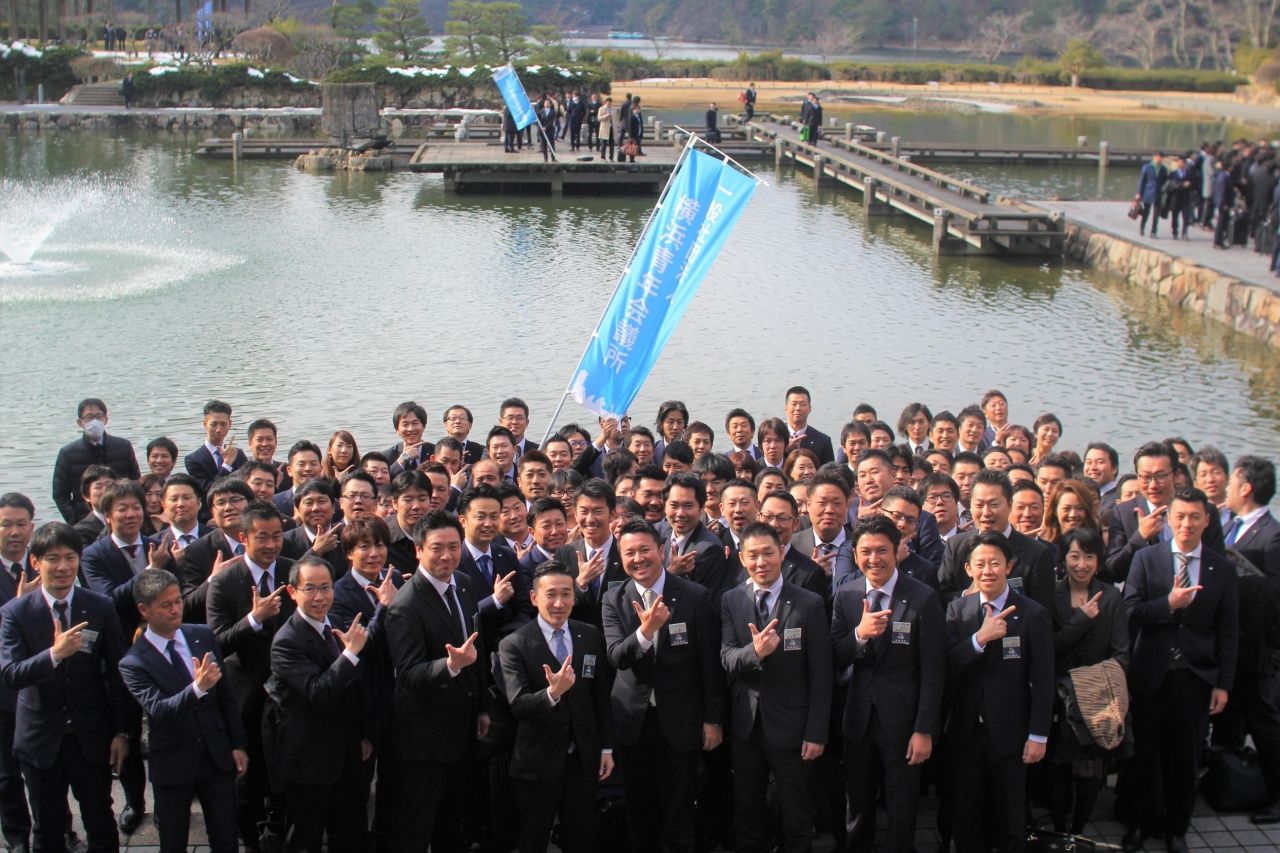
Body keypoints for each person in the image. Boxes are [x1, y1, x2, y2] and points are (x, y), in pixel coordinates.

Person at [0, 521, 135, 853]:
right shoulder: (15, 613)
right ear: (36, 562)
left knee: (100, 820)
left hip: (91, 735)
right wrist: (54, 654)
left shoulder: (100, 606)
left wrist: (122, 732)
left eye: (70, 557)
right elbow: (11, 674)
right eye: (53, 558)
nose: (63, 567)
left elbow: (119, 672)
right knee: (46, 829)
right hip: (40, 738)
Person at [1122, 488, 1238, 853]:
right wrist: (1168, 604)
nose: (1187, 523)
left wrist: (1223, 684)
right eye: (1180, 516)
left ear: (1206, 520)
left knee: (1185, 760)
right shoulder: (1147, 558)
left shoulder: (1223, 568)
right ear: (1169, 519)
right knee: (1144, 756)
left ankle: (1177, 829)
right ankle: (1139, 824)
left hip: (1195, 677)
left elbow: (1229, 631)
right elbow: (1129, 611)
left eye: (1195, 517)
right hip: (1150, 675)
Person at [601, 518, 723, 853]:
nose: (638, 559)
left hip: (681, 721)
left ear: (662, 550)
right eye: (629, 553)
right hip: (633, 724)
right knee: (640, 815)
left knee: (679, 814)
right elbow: (616, 656)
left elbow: (710, 665)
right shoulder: (614, 598)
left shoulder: (695, 596)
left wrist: (713, 719)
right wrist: (645, 632)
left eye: (645, 550)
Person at [832, 514, 945, 853]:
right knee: (857, 806)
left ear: (897, 551)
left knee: (901, 806)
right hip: (858, 720)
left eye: (882, 550)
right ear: (855, 554)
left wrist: (924, 729)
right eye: (865, 551)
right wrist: (859, 636)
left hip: (904, 723)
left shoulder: (923, 597)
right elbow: (834, 655)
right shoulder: (846, 594)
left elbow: (933, 671)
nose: (874, 559)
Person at [720, 522, 830, 853]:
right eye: (752, 555)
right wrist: (755, 653)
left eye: (768, 553)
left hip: (794, 727)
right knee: (747, 812)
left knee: (796, 814)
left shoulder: (809, 603)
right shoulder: (731, 600)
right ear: (742, 559)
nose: (761, 562)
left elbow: (821, 674)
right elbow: (727, 657)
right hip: (746, 727)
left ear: (782, 552)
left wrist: (816, 732)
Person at [118, 568, 246, 853]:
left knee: (226, 838)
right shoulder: (133, 662)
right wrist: (197, 689)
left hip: (215, 755)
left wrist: (237, 744)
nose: (176, 609)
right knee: (173, 841)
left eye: (178, 601)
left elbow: (226, 696)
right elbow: (159, 710)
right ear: (144, 610)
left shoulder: (201, 635)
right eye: (166, 605)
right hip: (173, 762)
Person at [384, 510, 490, 850]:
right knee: (416, 824)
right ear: (418, 550)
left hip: (463, 726)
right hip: (424, 738)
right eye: (436, 548)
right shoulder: (405, 605)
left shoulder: (465, 584)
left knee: (452, 822)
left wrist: (481, 707)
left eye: (454, 547)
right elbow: (408, 674)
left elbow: (477, 648)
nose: (447, 556)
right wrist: (449, 666)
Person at [945, 530, 1054, 853]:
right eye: (980, 564)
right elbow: (946, 664)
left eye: (995, 563)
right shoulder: (958, 610)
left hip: (1011, 733)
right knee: (966, 817)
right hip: (966, 733)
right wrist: (979, 639)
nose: (987, 571)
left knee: (1010, 819)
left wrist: (1038, 735)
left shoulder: (1032, 613)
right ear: (968, 569)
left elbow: (1044, 679)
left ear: (1010, 566)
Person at [498, 560, 615, 853]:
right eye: (550, 594)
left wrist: (606, 748)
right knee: (534, 839)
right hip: (537, 762)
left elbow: (600, 696)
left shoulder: (590, 635)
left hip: (583, 758)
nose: (559, 603)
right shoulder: (514, 644)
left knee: (580, 837)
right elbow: (518, 705)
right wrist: (552, 694)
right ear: (534, 597)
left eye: (566, 594)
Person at [205, 501, 295, 853]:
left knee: (286, 763)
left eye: (277, 536)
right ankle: (249, 836)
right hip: (246, 691)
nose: (272, 544)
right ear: (244, 538)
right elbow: (216, 642)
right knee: (249, 771)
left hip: (289, 687)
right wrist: (253, 620)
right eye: (262, 537)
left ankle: (282, 825)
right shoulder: (224, 582)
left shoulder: (293, 571)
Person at [266, 555, 371, 853]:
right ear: (292, 591)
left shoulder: (336, 623)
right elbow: (318, 691)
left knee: (349, 833)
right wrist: (350, 655)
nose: (320, 597)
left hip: (346, 752)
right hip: (309, 760)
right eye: (310, 588)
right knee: (305, 837)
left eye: (326, 587)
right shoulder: (287, 640)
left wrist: (363, 735)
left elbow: (355, 688)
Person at [329, 518, 403, 852]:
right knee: (355, 791)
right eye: (364, 547)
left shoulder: (395, 579)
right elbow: (359, 649)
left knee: (394, 783)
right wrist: (385, 607)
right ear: (349, 553)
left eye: (380, 545)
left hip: (397, 701)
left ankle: (386, 839)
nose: (374, 553)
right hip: (361, 705)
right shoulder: (339, 594)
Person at [1049, 528, 1129, 835]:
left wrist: (1095, 684)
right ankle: (1059, 827)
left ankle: (1078, 830)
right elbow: (1047, 647)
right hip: (1057, 698)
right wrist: (1080, 620)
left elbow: (1121, 653)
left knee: (1089, 768)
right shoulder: (1051, 593)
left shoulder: (1111, 597)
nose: (1081, 564)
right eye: (1074, 556)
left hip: (1096, 698)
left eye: (1089, 556)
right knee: (1057, 767)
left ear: (1099, 561)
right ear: (1063, 559)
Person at [1107, 441, 1226, 584]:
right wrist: (1140, 538)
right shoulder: (1123, 512)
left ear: (1176, 475)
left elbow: (1219, 568)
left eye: (1161, 476)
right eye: (1146, 477)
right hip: (1144, 595)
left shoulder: (1203, 510)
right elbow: (1113, 572)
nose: (1153, 485)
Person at [938, 469, 1056, 611]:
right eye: (979, 505)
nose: (986, 512)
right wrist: (968, 595)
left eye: (994, 505)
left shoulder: (1037, 553)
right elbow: (940, 598)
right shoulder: (955, 546)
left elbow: (1043, 611)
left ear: (1009, 505)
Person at [52, 398, 139, 523]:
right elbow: (60, 495)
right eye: (89, 417)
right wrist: (76, 522)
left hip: (121, 518)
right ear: (80, 422)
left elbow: (135, 482)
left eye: (99, 416)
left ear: (106, 420)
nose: (94, 421)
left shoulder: (123, 446)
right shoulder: (68, 453)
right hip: (85, 520)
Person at [180, 478, 255, 624]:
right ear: (212, 513)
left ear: (251, 504)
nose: (228, 507)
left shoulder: (270, 540)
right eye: (220, 503)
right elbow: (187, 608)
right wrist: (213, 580)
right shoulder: (197, 551)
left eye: (235, 500)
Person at [657, 472, 731, 599]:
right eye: (674, 505)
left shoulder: (709, 549)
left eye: (688, 506)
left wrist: (669, 577)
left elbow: (699, 601)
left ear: (701, 508)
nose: (680, 513)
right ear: (664, 506)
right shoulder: (657, 532)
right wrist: (670, 573)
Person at [185, 401, 245, 493]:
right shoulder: (193, 460)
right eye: (214, 424)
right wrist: (227, 464)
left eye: (223, 424)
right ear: (205, 424)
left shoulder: (238, 454)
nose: (218, 430)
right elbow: (210, 491)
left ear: (230, 424)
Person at [784, 386, 835, 466]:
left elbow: (830, 471)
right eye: (794, 404)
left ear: (810, 409)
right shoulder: (775, 434)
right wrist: (785, 450)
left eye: (803, 404)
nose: (798, 408)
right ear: (786, 408)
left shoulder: (823, 441)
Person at [1042, 479, 1101, 544]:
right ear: (1055, 510)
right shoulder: (1044, 546)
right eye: (1066, 509)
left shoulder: (1097, 544)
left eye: (1079, 508)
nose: (1073, 514)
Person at [385, 401, 433, 475]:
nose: (410, 429)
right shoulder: (388, 456)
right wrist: (404, 458)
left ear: (424, 426)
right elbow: (385, 478)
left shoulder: (434, 451)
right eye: (405, 424)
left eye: (415, 423)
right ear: (397, 429)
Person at [1136, 151, 1167, 237]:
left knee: (1156, 214)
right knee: (1146, 212)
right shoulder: (1147, 167)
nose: (1159, 159)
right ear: (1154, 157)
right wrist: (1139, 192)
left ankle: (1153, 231)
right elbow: (1142, 181)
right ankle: (1142, 228)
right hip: (1148, 192)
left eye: (1160, 157)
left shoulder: (1163, 169)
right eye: (1157, 157)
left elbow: (1165, 181)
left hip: (1158, 193)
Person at [1213, 161, 1236, 249]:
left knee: (1222, 222)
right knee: (1221, 222)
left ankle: (1219, 240)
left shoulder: (1221, 175)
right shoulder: (1225, 176)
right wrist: (1225, 203)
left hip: (1222, 202)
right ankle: (1218, 241)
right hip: (1224, 203)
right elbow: (1223, 191)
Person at [597, 96, 617, 162]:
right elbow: (599, 118)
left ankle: (611, 157)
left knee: (612, 144)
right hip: (605, 128)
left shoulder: (614, 109)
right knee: (604, 144)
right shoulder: (601, 109)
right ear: (606, 102)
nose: (609, 104)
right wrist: (606, 116)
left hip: (612, 128)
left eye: (610, 103)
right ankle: (603, 157)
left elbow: (616, 118)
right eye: (608, 103)